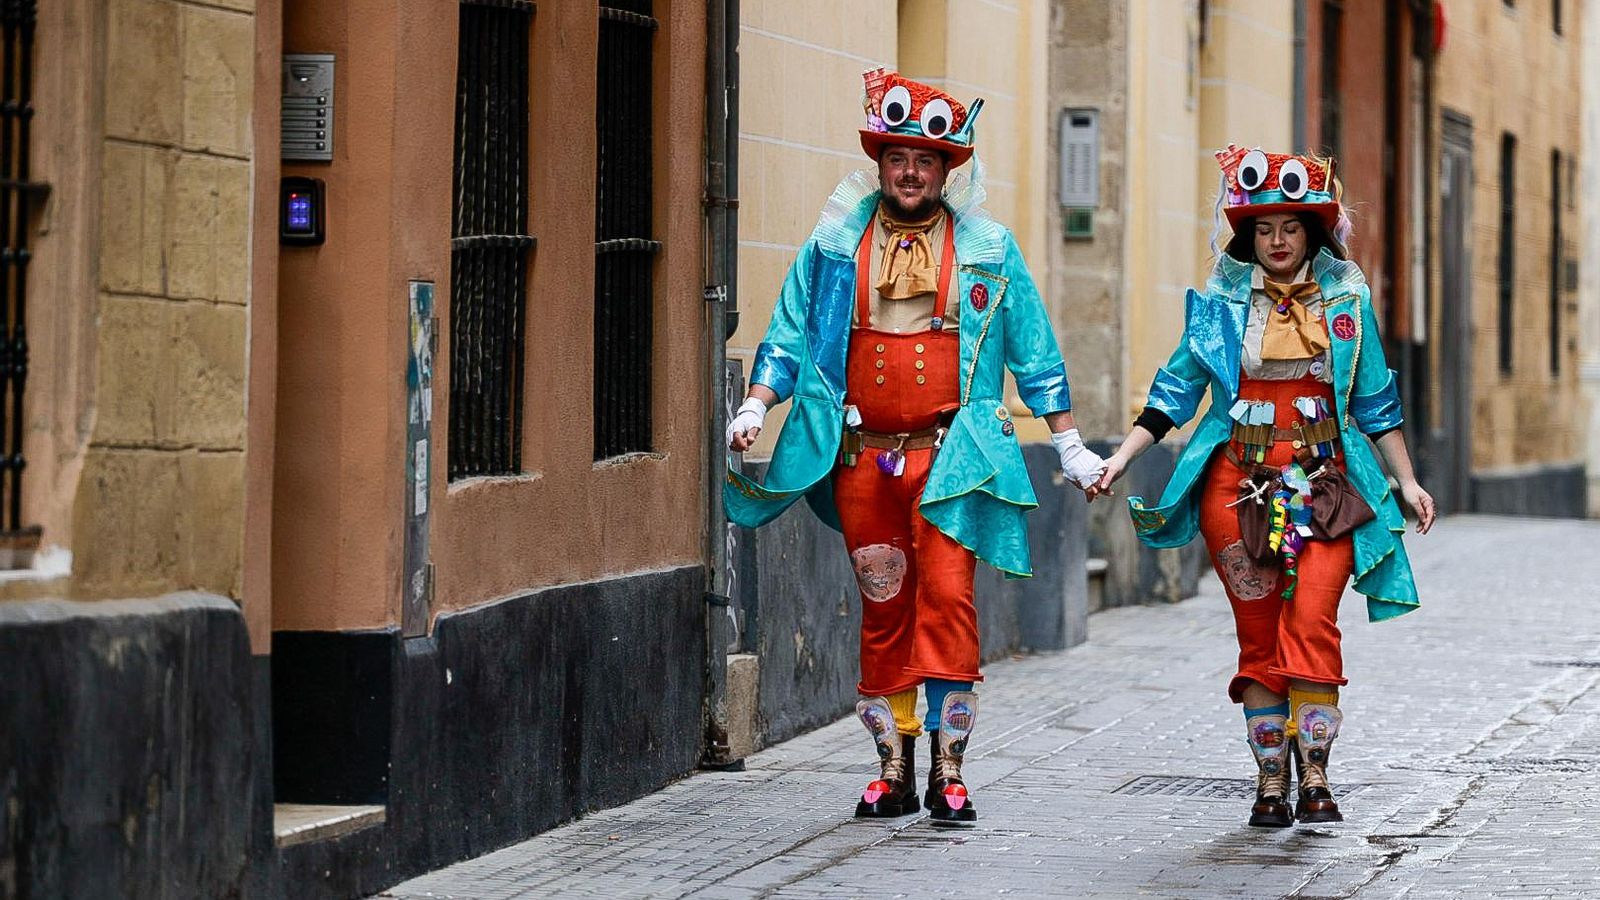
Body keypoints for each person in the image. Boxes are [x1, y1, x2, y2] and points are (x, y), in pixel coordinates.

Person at [724, 68, 1105, 827]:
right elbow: (791, 331)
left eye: (926, 160)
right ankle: (892, 768)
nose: (910, 171)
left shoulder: (989, 249)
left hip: (953, 460)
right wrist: (757, 404)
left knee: (950, 603)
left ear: (947, 169)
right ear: (880, 160)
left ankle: (949, 770)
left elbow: (1032, 348)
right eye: (898, 156)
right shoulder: (836, 245)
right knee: (882, 603)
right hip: (864, 460)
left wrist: (1066, 445)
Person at [1089, 145, 1436, 828]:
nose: (1278, 241)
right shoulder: (1220, 303)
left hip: (1325, 486)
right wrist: (1122, 458)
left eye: (1292, 227)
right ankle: (1271, 781)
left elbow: (1375, 403)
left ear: (1313, 231)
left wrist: (1408, 481)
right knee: (1259, 636)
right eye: (1265, 229)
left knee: (1312, 619)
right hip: (1235, 490)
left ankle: (1315, 775)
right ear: (1250, 234)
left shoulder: (1346, 301)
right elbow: (1175, 390)